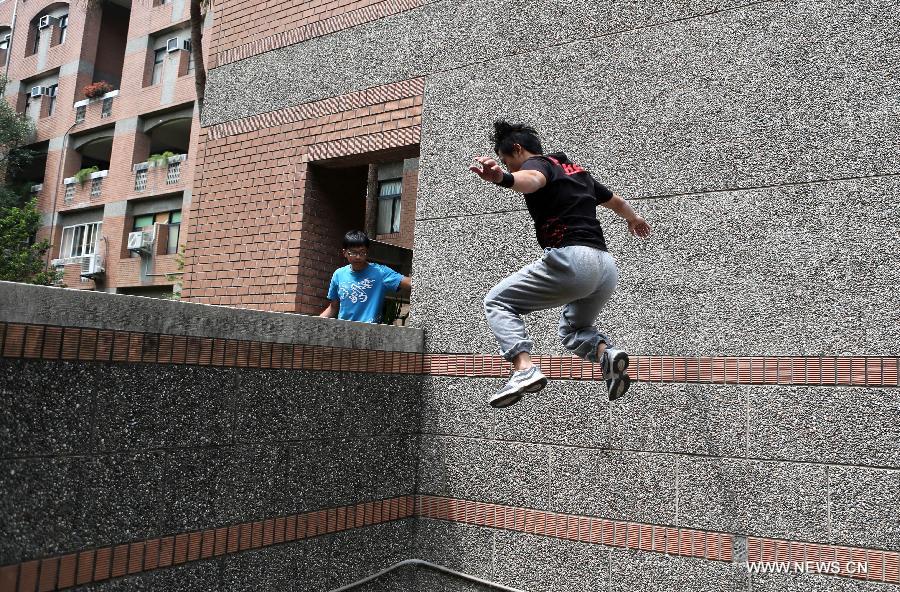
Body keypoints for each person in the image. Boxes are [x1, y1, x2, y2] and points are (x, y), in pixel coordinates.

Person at [470, 121, 651, 408]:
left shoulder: (539, 166)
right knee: (573, 330)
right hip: (605, 268)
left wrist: (503, 178)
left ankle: (524, 368)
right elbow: (615, 202)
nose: (512, 168)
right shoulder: (577, 172)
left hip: (573, 260)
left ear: (517, 149)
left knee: (497, 302)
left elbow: (531, 180)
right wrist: (634, 218)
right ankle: (607, 355)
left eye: (509, 162)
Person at [319, 230, 412, 323]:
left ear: (367, 252)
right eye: (353, 252)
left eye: (362, 252)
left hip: (369, 331)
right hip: (344, 330)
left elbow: (409, 283)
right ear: (345, 253)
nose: (358, 257)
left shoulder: (380, 272)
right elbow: (333, 308)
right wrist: (312, 323)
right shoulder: (338, 274)